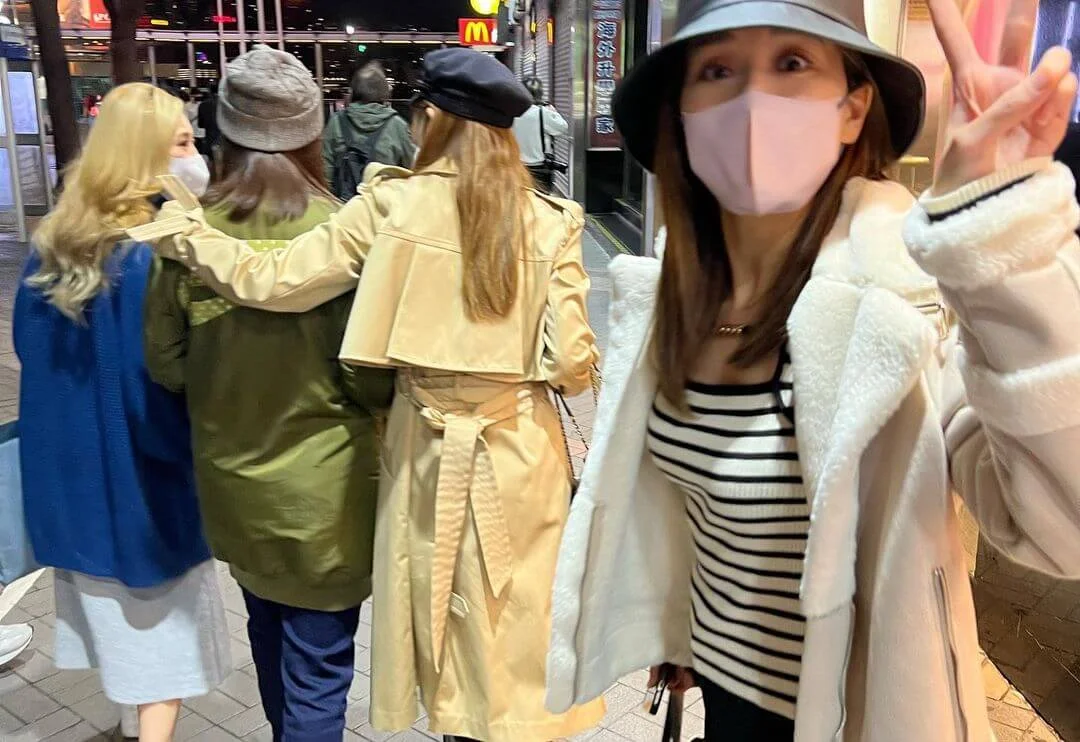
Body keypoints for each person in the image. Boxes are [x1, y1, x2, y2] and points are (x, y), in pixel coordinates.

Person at [544, 0, 1080, 739]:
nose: (752, 98)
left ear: (853, 109)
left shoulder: (907, 297)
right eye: (717, 69)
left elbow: (1062, 531)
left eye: (792, 62)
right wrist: (683, 627)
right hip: (725, 697)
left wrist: (1000, 246)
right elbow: (694, 510)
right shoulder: (672, 290)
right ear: (682, 112)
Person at [134, 47, 605, 742]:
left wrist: (190, 238)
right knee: (515, 616)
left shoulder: (390, 203)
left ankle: (456, 723)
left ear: (431, 120)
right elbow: (570, 362)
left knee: (440, 616)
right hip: (519, 449)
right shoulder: (552, 220)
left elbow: (274, 281)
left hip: (426, 446)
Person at [143, 46, 394, 742]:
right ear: (313, 134)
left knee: (268, 633)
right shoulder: (340, 235)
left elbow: (166, 363)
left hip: (233, 484)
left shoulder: (188, 234)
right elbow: (370, 377)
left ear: (225, 133)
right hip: (326, 499)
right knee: (320, 667)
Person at [14, 82, 229, 742]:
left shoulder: (54, 241)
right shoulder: (153, 254)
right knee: (163, 653)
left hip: (70, 483)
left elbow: (29, 351)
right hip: (141, 489)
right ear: (145, 155)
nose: (195, 155)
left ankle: (121, 725)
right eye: (183, 142)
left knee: (115, 632)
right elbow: (161, 387)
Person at [322, 60, 415, 198]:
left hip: (344, 205)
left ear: (354, 92)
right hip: (384, 205)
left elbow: (326, 170)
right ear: (385, 93)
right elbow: (412, 169)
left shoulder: (336, 122)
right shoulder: (397, 125)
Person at [511, 76, 569, 193]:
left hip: (516, 166)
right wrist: (553, 112)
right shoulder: (543, 113)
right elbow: (562, 127)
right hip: (540, 168)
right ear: (540, 93)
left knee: (519, 199)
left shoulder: (512, 112)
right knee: (541, 200)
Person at [197, 79, 221, 158]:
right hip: (224, 140)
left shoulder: (203, 105)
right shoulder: (225, 104)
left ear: (209, 91)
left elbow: (200, 125)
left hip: (209, 140)